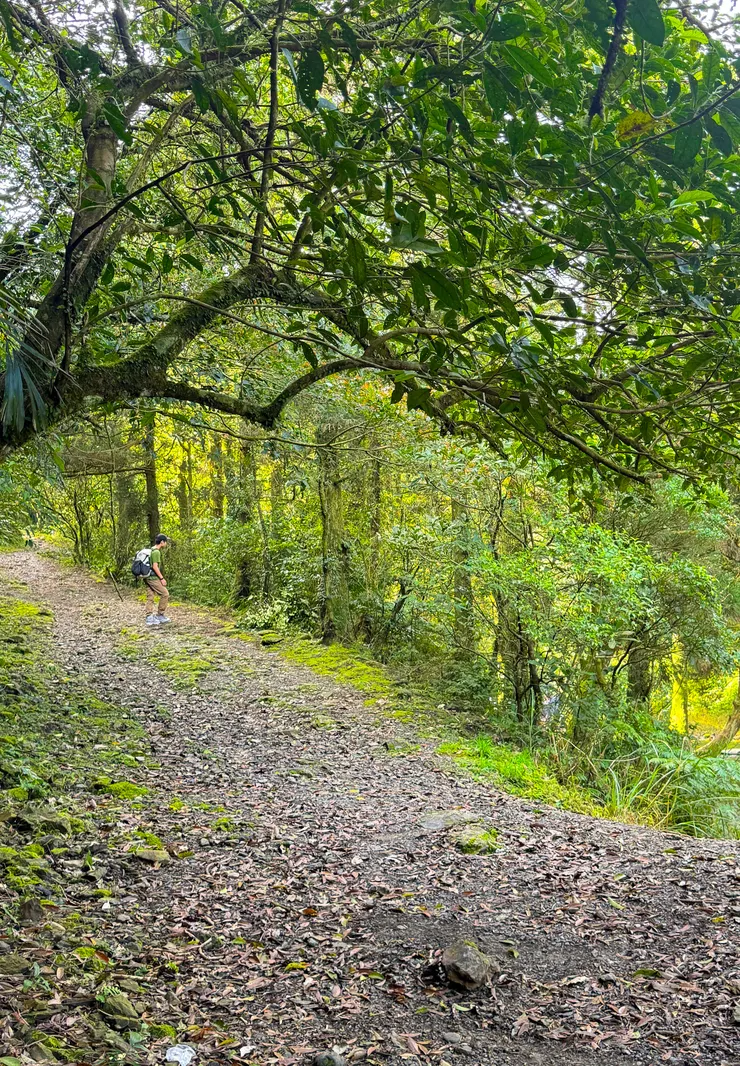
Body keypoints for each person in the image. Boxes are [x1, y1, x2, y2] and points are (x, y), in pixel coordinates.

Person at [145, 534, 171, 626]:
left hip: (147, 577)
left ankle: (149, 617)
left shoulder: (151, 549)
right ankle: (160, 614)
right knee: (165, 594)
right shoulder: (156, 552)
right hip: (153, 578)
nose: (166, 543)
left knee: (150, 596)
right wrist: (162, 578)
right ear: (162, 542)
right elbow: (155, 566)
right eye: (165, 541)